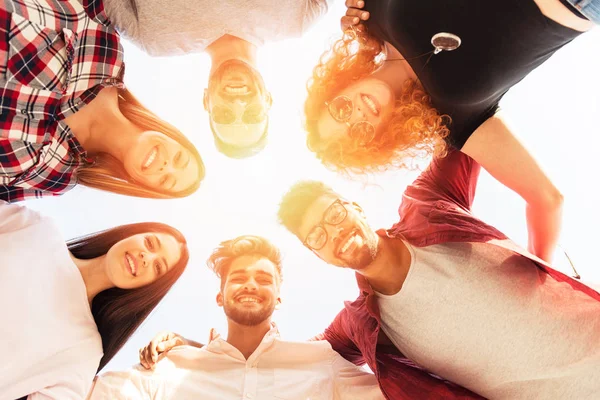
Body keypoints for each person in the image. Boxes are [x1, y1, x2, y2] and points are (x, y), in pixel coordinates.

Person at [277, 150, 600, 399]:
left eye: (334, 213)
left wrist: (542, 264)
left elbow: (463, 118)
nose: (334, 232)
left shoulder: (428, 203)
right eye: (317, 237)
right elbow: (296, 359)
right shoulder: (360, 324)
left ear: (356, 207)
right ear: (316, 255)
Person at [304, 0, 598, 263]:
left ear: (337, 86)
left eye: (340, 110)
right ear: (376, 141)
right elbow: (547, 199)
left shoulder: (372, 15)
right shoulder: (454, 121)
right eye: (358, 134)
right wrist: (543, 274)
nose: (357, 116)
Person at [90, 235, 384, 400]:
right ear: (220, 296)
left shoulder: (321, 362)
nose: (251, 285)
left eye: (264, 279)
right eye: (239, 278)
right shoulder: (172, 367)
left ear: (279, 298)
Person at [0, 0, 205, 202]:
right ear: (171, 135)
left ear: (142, 186)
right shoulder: (107, 53)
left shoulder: (55, 179)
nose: (165, 167)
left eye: (165, 180)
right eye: (179, 158)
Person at [0, 201, 189, 400]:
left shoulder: (85, 350)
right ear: (131, 233)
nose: (146, 257)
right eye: (150, 244)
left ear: (148, 288)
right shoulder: (39, 230)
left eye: (157, 267)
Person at [104, 0, 332, 158]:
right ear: (269, 100)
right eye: (252, 114)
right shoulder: (300, 16)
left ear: (206, 101)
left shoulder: (152, 37)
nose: (238, 104)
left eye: (225, 115)